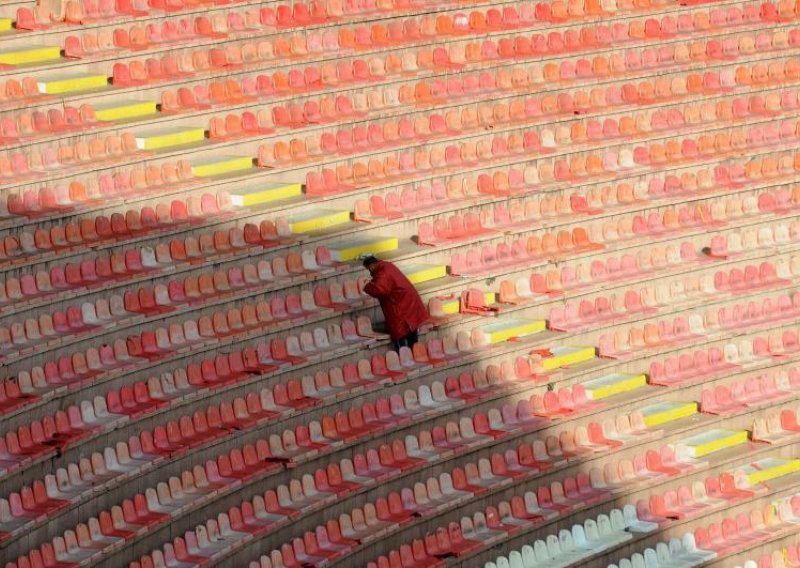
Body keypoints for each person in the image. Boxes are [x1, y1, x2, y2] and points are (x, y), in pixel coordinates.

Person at [362, 256, 428, 351]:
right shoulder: (386, 265)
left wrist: (367, 286)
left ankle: (402, 355)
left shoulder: (382, 271)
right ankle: (413, 352)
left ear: (372, 265)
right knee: (411, 328)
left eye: (369, 269)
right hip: (407, 299)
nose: (370, 271)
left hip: (399, 304)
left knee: (400, 331)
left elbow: (380, 290)